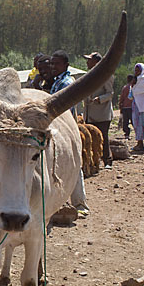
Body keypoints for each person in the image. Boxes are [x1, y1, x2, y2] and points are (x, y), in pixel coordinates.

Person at [49, 49, 90, 215]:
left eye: (57, 63)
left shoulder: (66, 82)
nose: (54, 66)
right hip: (57, 126)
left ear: (66, 65)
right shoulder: (57, 81)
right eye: (52, 63)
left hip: (65, 126)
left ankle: (80, 203)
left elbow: (64, 108)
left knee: (74, 164)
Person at [82, 52, 114, 169]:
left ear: (96, 62)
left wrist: (100, 99)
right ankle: (94, 162)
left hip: (102, 113)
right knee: (91, 137)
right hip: (90, 112)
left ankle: (107, 160)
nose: (87, 62)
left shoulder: (106, 75)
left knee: (103, 137)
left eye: (89, 60)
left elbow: (110, 93)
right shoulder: (89, 75)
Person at [119, 75, 134, 139]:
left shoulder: (125, 88)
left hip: (125, 107)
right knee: (133, 121)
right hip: (132, 107)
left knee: (125, 121)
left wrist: (120, 104)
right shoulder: (133, 87)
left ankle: (127, 133)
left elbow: (122, 97)